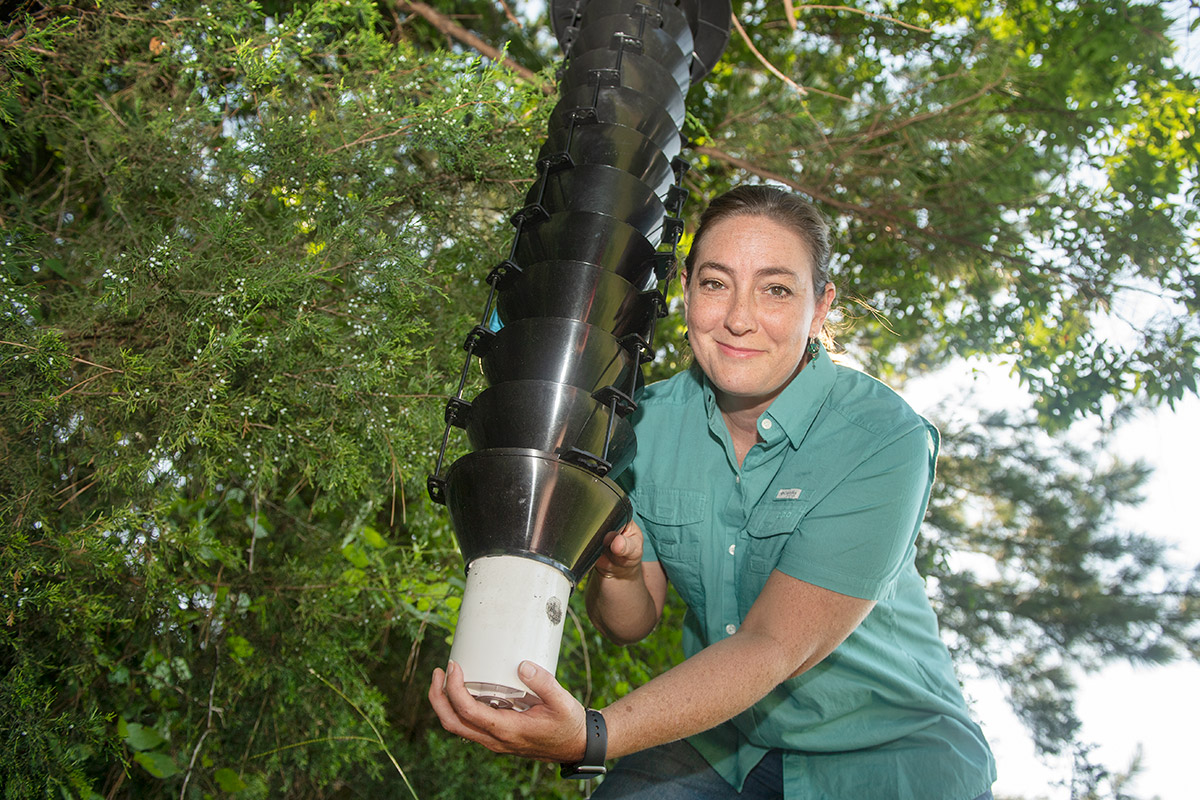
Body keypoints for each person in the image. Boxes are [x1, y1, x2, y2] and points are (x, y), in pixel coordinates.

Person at [429, 185, 997, 799]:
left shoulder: (882, 439)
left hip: (888, 753)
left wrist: (594, 735)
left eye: (776, 289)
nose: (739, 318)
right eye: (715, 282)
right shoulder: (640, 423)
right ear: (687, 290)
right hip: (725, 740)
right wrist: (619, 571)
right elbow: (630, 622)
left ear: (821, 306)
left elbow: (774, 645)